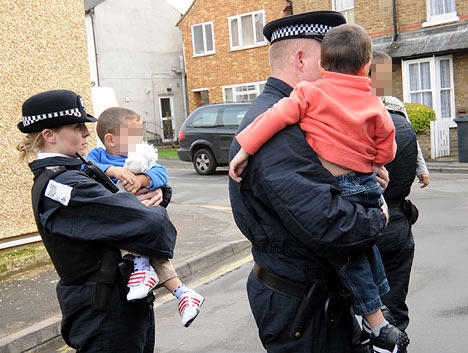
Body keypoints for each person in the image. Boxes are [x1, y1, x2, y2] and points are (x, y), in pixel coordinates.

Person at [229, 23, 411, 353]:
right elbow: (330, 226)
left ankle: (378, 320)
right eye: (326, 58)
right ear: (301, 59)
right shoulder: (275, 125)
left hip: (313, 300)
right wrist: (379, 216)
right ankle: (378, 322)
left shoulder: (303, 109)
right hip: (302, 308)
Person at [16, 89, 177, 352]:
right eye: (78, 126)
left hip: (117, 305)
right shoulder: (64, 185)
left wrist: (158, 191)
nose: (88, 133)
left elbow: (131, 200)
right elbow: (152, 226)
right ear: (49, 135)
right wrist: (150, 206)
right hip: (105, 313)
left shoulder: (77, 170)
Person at [87, 107, 204, 327]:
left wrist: (143, 180)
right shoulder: (98, 156)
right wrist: (112, 170)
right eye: (134, 135)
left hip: (143, 217)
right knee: (157, 257)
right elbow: (86, 167)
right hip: (127, 220)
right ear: (110, 140)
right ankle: (183, 294)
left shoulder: (141, 156)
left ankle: (146, 274)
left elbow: (162, 172)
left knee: (140, 242)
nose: (140, 141)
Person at [371, 50, 425, 338]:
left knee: (370, 310)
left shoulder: (365, 122)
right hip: (400, 225)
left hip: (371, 224)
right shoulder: (401, 119)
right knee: (395, 302)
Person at [371, 50, 430, 189]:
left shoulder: (395, 104)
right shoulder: (362, 103)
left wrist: (421, 169)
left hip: (397, 170)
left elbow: (412, 138)